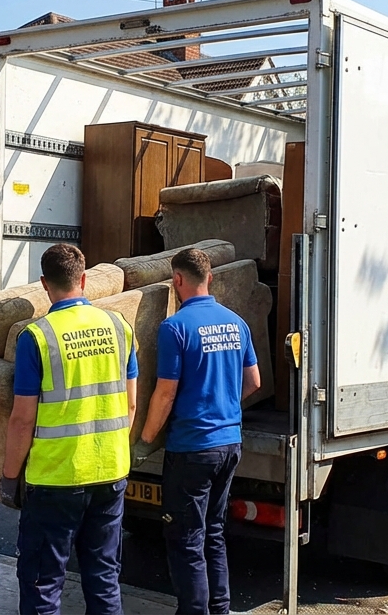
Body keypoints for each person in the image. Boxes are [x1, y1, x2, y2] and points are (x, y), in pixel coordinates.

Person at [0, 243, 138, 615]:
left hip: (56, 477)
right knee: (104, 578)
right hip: (110, 471)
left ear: (44, 284)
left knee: (44, 585)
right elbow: (131, 403)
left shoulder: (37, 337)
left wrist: (10, 477)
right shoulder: (118, 326)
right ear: (85, 278)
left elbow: (22, 418)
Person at [140, 248, 261, 615]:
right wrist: (223, 403)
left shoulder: (174, 327)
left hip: (192, 448)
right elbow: (254, 382)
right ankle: (219, 609)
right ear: (209, 278)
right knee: (214, 532)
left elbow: (165, 392)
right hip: (229, 443)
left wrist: (144, 440)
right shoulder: (236, 323)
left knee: (186, 539)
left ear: (177, 280)